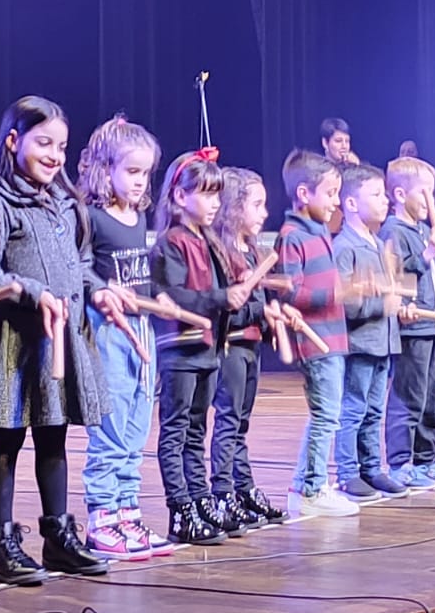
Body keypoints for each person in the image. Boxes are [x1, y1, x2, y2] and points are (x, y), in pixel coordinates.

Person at [0, 96, 113, 583]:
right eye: (44, 143)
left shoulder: (67, 205)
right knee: (8, 437)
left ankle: (58, 537)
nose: (55, 155)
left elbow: (82, 265)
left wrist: (100, 291)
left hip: (63, 339)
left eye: (62, 146)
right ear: (14, 141)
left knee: (55, 435)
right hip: (21, 342)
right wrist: (34, 292)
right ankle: (2, 545)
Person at [76, 115, 168, 560]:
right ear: (104, 168)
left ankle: (128, 512)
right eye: (131, 171)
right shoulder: (90, 217)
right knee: (110, 428)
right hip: (109, 330)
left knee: (136, 427)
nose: (139, 181)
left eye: (145, 173)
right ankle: (101, 520)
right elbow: (81, 270)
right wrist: (103, 291)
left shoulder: (138, 214)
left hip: (142, 330)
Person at [150, 150, 245, 545]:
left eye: (217, 194)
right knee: (176, 431)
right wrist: (221, 298)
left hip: (208, 351)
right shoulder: (172, 242)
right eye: (206, 194)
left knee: (195, 431)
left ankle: (200, 499)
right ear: (179, 196)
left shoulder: (208, 241)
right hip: (181, 350)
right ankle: (180, 509)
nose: (215, 203)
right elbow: (173, 295)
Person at [278, 149, 357, 517]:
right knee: (326, 415)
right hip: (315, 339)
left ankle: (305, 484)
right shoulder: (292, 235)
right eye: (330, 193)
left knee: (327, 414)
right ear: (304, 193)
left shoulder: (320, 230)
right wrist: (335, 294)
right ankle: (311, 490)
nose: (336, 202)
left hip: (333, 337)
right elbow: (290, 292)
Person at [211, 167, 288, 527]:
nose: (264, 213)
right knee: (228, 421)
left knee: (241, 423)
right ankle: (222, 492)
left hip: (251, 346)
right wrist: (260, 310)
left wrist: (273, 318)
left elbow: (256, 304)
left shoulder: (254, 252)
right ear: (232, 207)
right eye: (257, 205)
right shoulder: (224, 253)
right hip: (231, 347)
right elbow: (230, 308)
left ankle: (244, 488)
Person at [380, 156, 435, 488]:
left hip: (434, 326)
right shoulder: (394, 231)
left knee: (432, 397)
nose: (430, 200)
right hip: (413, 326)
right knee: (409, 396)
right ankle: (400, 463)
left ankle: (426, 459)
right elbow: (394, 274)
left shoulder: (425, 231)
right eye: (424, 192)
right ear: (400, 195)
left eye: (432, 193)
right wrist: (426, 254)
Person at [332, 163, 408, 501]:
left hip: (383, 342)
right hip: (361, 344)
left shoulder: (378, 244)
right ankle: (348, 472)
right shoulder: (344, 247)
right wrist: (381, 305)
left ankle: (372, 468)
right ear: (351, 203)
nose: (385, 200)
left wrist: (400, 303)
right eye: (375, 195)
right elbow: (344, 303)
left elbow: (393, 288)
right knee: (353, 409)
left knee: (374, 410)